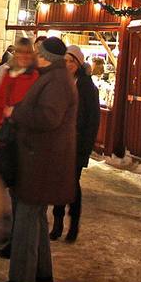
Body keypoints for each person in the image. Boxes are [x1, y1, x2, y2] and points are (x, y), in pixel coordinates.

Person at [0, 36, 77, 282]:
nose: (34, 55)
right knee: (35, 218)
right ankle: (42, 271)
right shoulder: (53, 77)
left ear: (46, 57)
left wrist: (16, 113)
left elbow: (48, 117)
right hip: (41, 158)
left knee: (26, 219)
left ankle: (22, 278)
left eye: (38, 52)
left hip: (41, 160)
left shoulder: (56, 81)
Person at [0, 39, 38, 258]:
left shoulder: (35, 77)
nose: (23, 56)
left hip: (21, 142)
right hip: (5, 139)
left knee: (16, 191)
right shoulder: (9, 74)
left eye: (27, 53)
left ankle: (15, 235)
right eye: (20, 52)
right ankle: (6, 224)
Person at [51, 45, 100, 242]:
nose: (68, 65)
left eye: (72, 61)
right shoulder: (61, 82)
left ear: (78, 63)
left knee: (71, 185)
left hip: (77, 145)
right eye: (65, 61)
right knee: (58, 184)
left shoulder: (87, 87)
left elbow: (93, 120)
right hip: (60, 144)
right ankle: (57, 224)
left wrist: (85, 149)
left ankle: (73, 224)